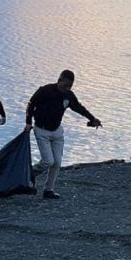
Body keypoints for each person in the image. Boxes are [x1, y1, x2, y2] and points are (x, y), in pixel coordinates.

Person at [25, 69, 101, 200]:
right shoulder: (45, 90)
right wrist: (28, 122)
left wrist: (92, 118)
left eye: (69, 86)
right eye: (65, 85)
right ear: (59, 80)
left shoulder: (69, 96)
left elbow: (78, 107)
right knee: (48, 161)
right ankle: (28, 175)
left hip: (57, 131)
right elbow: (31, 105)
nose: (66, 88)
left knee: (57, 162)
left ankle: (49, 190)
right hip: (41, 130)